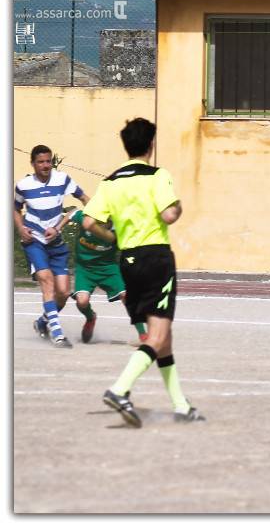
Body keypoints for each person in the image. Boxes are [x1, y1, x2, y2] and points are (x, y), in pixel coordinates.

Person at [83, 118, 204, 427]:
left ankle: (181, 405)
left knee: (164, 338)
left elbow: (88, 221)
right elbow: (169, 214)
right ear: (151, 145)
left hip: (128, 262)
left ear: (127, 146)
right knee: (159, 334)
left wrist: (113, 237)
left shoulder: (110, 182)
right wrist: (178, 207)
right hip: (155, 259)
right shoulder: (157, 176)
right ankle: (119, 389)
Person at [14, 144, 90, 348]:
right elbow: (15, 208)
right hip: (34, 241)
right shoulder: (23, 185)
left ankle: (42, 322)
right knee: (46, 280)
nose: (45, 165)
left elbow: (83, 198)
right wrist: (21, 228)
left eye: (48, 161)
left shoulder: (62, 179)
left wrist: (98, 215)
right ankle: (58, 334)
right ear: (33, 163)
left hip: (56, 242)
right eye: (41, 162)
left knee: (64, 293)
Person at [66, 207, 148, 344]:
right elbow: (71, 213)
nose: (101, 223)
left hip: (108, 268)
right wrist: (56, 228)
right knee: (82, 301)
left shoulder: (120, 229)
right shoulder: (86, 219)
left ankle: (143, 335)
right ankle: (90, 317)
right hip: (85, 269)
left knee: (126, 296)